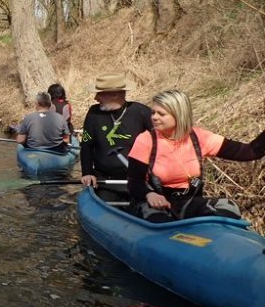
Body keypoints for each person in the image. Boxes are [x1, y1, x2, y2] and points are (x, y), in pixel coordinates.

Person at [127, 89, 265, 222]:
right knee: (160, 220)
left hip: (188, 203)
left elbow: (250, 151)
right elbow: (134, 183)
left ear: (178, 115)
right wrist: (148, 194)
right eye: (153, 113)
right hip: (154, 204)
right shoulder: (145, 140)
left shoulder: (200, 137)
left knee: (228, 207)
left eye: (161, 114)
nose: (154, 118)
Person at [80, 72, 153, 201]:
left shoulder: (141, 112)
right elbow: (86, 145)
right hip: (105, 181)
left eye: (100, 93)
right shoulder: (93, 113)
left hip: (138, 180)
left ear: (115, 94)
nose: (95, 98)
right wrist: (87, 173)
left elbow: (160, 143)